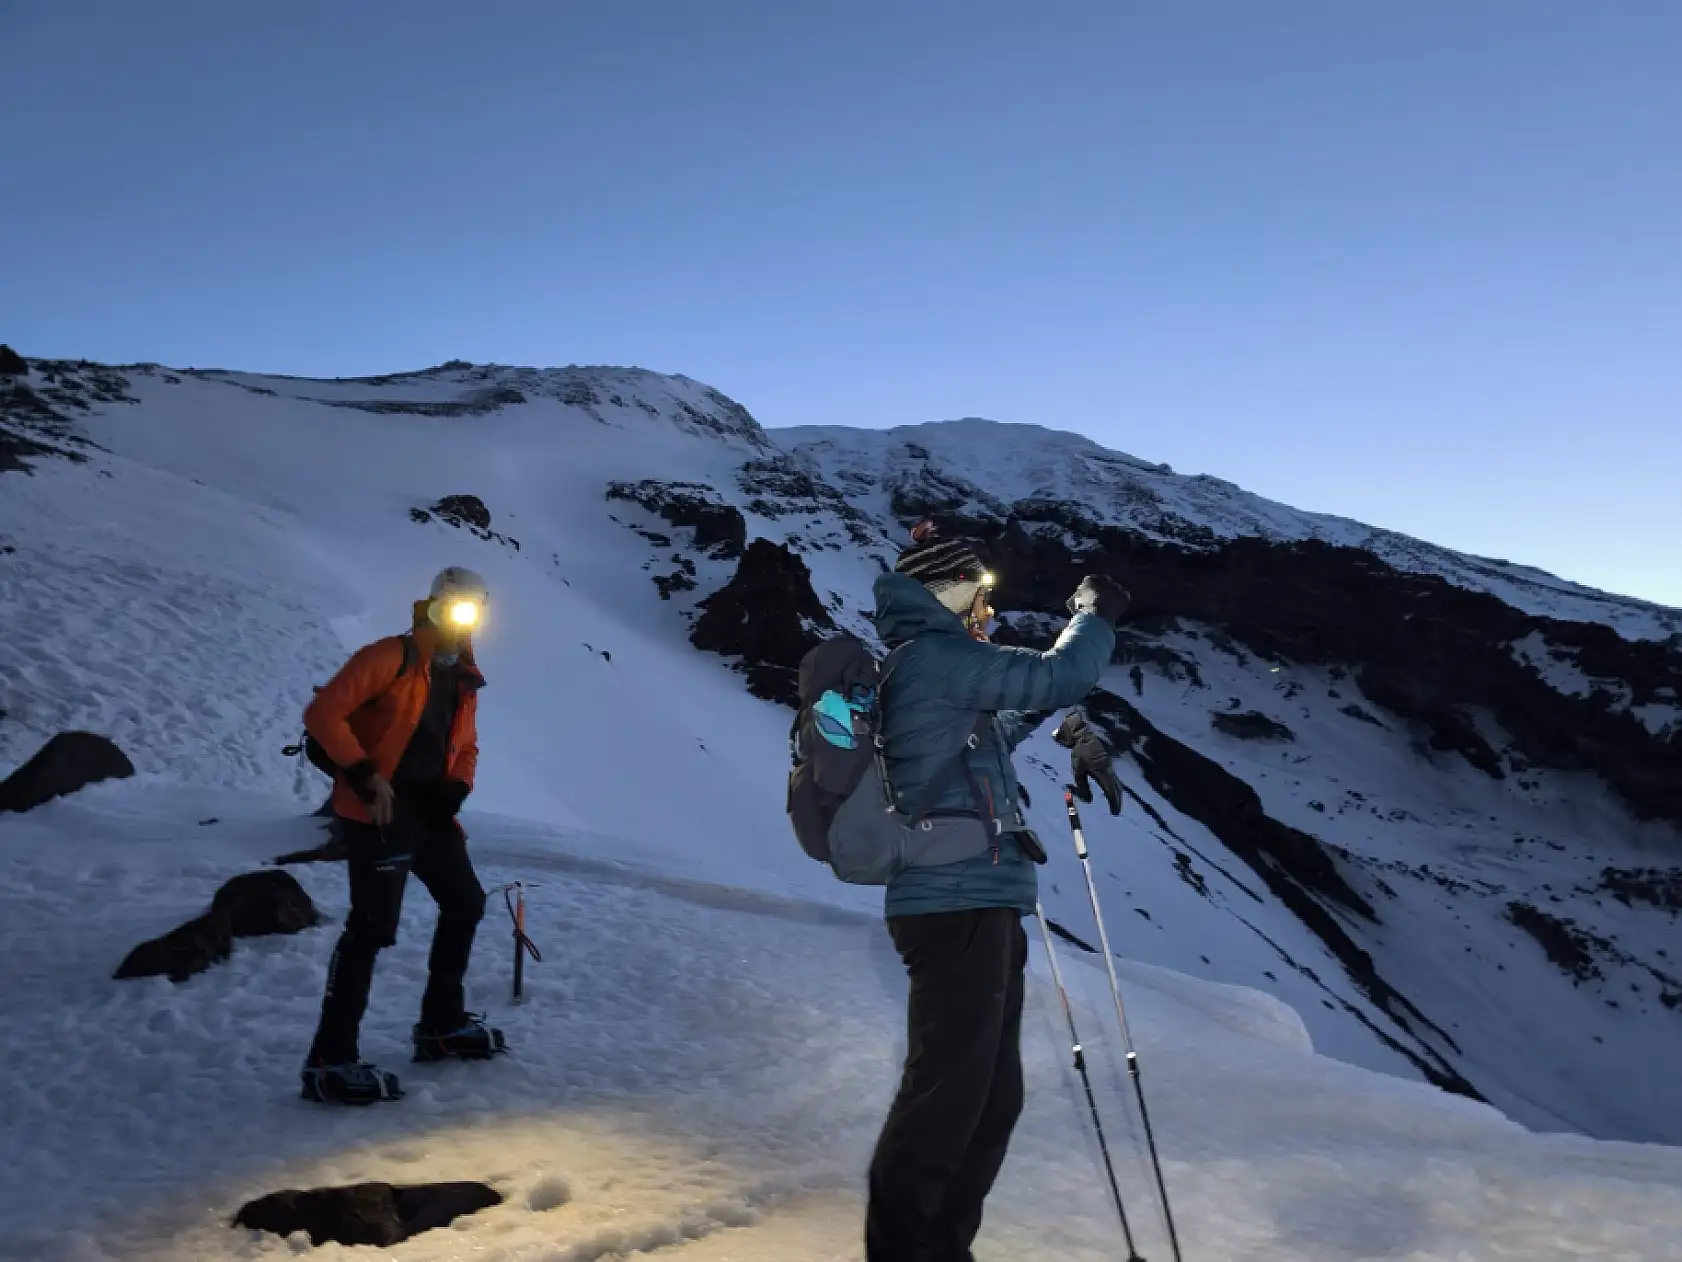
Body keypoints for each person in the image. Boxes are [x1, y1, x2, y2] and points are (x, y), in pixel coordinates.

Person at [866, 525, 1130, 1261]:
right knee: (945, 1102)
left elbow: (1002, 723)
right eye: (978, 599)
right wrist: (1094, 614)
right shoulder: (935, 660)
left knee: (988, 1103)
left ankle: (943, 1248)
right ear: (947, 594)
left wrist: (1068, 728)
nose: (987, 614)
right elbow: (1050, 675)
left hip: (976, 903)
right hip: (955, 907)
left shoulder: (937, 669)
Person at [298, 567, 506, 1105]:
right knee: (371, 930)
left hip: (431, 814)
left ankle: (440, 1026)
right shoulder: (389, 657)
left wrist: (457, 788)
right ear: (431, 604)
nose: (461, 618)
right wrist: (365, 776)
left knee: (465, 903)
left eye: (472, 609)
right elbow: (323, 714)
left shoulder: (463, 674)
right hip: (379, 815)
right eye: (453, 606)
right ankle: (329, 1059)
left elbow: (467, 746)